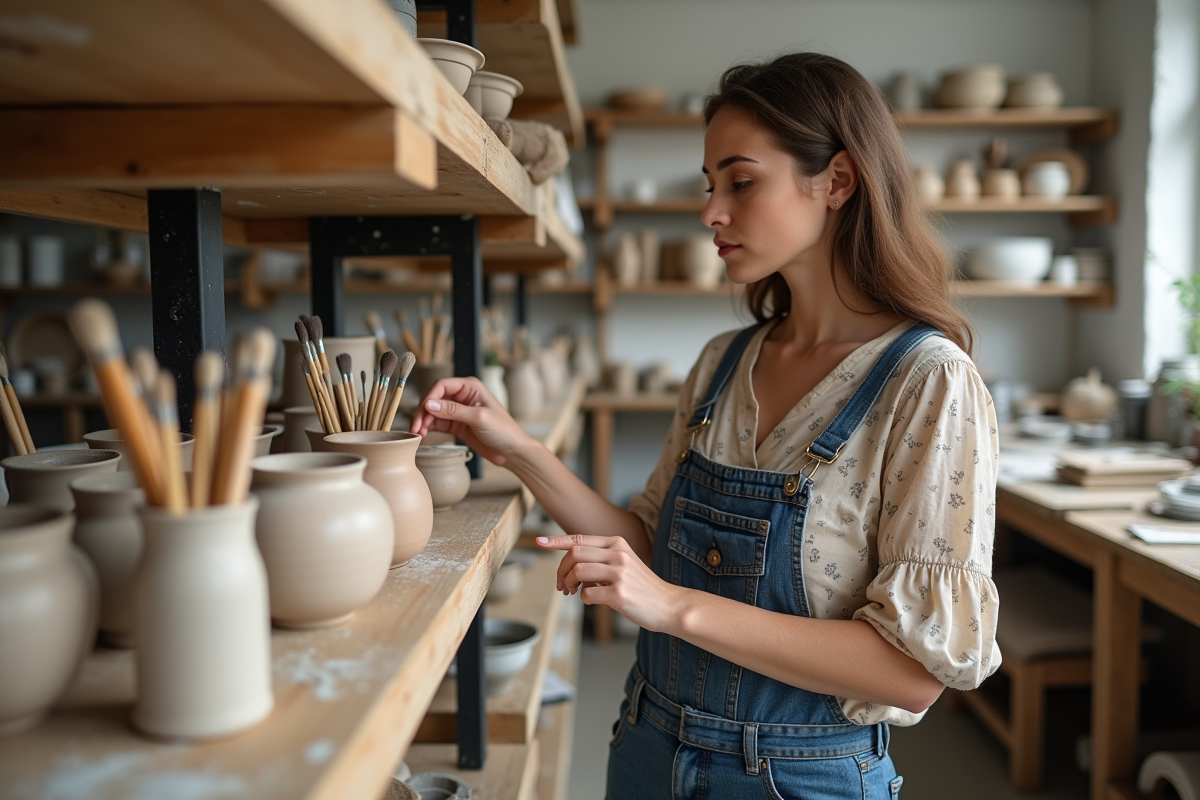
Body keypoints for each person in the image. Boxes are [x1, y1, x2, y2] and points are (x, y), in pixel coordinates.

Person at [412, 52, 1000, 800]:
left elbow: (912, 675)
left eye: (741, 182)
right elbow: (654, 547)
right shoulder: (723, 363)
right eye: (709, 186)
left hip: (799, 778)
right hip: (647, 745)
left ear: (838, 181)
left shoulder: (929, 381)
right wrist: (518, 449)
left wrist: (669, 606)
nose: (710, 212)